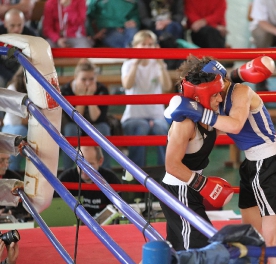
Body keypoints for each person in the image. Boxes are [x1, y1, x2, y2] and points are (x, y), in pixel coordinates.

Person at [166, 55, 276, 264]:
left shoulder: (241, 92)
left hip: (272, 164)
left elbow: (235, 125)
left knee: (273, 243)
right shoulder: (214, 97)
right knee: (250, 237)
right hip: (251, 165)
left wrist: (198, 112)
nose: (217, 97)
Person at [160, 70, 234, 251]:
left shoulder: (209, 118)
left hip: (189, 188)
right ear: (200, 96)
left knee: (178, 250)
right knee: (199, 249)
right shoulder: (184, 123)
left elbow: (236, 127)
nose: (220, 99)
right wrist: (204, 185)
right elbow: (171, 165)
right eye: (215, 94)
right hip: (179, 190)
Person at [120, 30, 172, 168]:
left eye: (150, 44)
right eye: (143, 44)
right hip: (133, 117)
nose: (147, 48)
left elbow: (167, 86)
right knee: (141, 128)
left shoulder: (157, 64)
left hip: (157, 116)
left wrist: (161, 64)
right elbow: (127, 84)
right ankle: (137, 174)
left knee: (162, 130)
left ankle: (165, 173)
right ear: (135, 46)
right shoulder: (128, 64)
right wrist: (135, 64)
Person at [60, 59, 112, 170]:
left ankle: (106, 171)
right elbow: (74, 119)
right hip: (74, 125)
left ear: (96, 78)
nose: (88, 83)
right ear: (75, 77)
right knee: (70, 130)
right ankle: (67, 171)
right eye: (83, 79)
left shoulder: (102, 90)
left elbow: (97, 118)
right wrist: (81, 97)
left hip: (95, 125)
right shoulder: (66, 91)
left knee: (103, 128)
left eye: (91, 79)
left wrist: (90, 97)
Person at [57, 146, 121, 217]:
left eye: (90, 164)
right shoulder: (65, 180)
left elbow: (119, 211)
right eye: (80, 163)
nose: (84, 169)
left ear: (100, 161)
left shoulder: (111, 180)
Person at [0, 8, 36, 88]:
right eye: (12, 25)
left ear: (24, 23)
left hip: (23, 75)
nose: (16, 29)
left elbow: (34, 60)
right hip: (3, 73)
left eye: (19, 25)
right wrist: (11, 77)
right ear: (5, 23)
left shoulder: (32, 37)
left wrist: (19, 77)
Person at [1, 67, 28, 172]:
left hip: (27, 127)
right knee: (19, 134)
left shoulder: (39, 91)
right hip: (11, 127)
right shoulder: (13, 88)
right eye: (28, 78)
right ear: (22, 77)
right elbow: (14, 121)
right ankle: (11, 172)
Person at [0, 152, 30, 222]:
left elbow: (24, 206)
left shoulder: (15, 179)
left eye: (8, 160)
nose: (6, 165)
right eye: (1, 161)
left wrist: (11, 212)